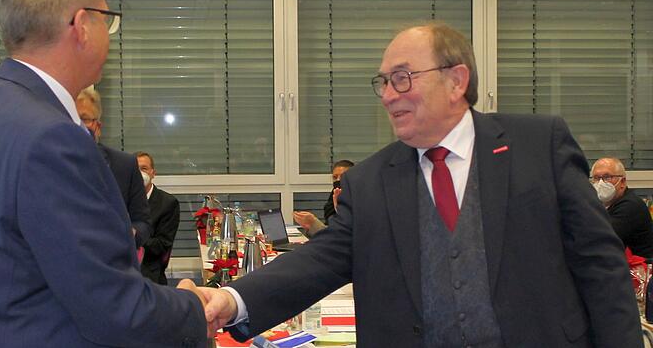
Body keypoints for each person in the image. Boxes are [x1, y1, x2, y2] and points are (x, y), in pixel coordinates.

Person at [201, 22, 641, 347]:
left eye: (402, 78)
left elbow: (600, 265)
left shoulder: (537, 146)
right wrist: (231, 301)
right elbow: (319, 261)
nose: (389, 94)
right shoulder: (370, 182)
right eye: (384, 83)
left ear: (456, 80)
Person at [0, 0, 207, 346]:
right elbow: (114, 309)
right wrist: (195, 307)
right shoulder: (54, 137)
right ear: (82, 25)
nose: (110, 35)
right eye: (107, 19)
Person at [77, 87, 151, 247]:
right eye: (72, 118)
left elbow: (142, 224)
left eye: (85, 119)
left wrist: (129, 233)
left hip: (112, 260)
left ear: (98, 126)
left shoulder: (124, 165)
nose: (79, 125)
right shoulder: (48, 163)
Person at [591, 157, 653, 258]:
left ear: (622, 182)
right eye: (596, 178)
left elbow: (601, 239)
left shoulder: (630, 205)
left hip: (641, 269)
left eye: (607, 177)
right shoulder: (604, 205)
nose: (601, 183)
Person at [135, 151, 181, 285]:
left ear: (153, 173)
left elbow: (161, 246)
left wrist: (134, 235)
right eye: (135, 170)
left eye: (144, 169)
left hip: (148, 270)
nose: (140, 173)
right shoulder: (122, 200)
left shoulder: (167, 203)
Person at [293, 159, 354, 237]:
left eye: (342, 177)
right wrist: (311, 225)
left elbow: (344, 236)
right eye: (335, 177)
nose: (338, 180)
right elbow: (330, 232)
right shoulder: (333, 197)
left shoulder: (360, 201)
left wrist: (341, 211)